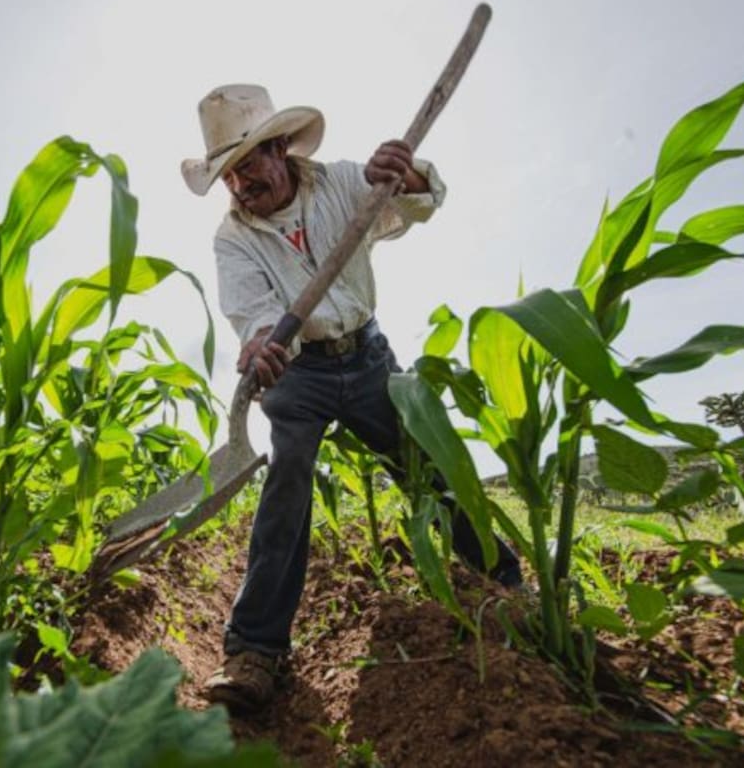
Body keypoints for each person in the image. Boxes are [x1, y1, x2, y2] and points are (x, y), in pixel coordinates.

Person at [180, 84, 522, 713]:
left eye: (247, 164)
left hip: (365, 358)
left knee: (426, 467)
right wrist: (260, 346)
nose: (238, 184)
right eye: (227, 174)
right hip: (298, 375)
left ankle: (505, 581)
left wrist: (404, 172)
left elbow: (418, 202)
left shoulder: (339, 183)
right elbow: (251, 312)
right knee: (286, 483)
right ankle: (255, 651)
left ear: (280, 148)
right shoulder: (233, 237)